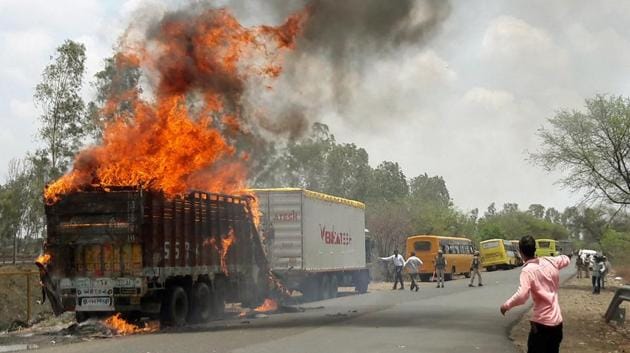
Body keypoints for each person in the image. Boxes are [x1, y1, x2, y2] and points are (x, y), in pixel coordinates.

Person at [500, 235, 570, 353]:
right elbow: (566, 259)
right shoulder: (550, 261)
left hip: (541, 324)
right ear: (535, 249)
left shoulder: (528, 270)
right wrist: (549, 258)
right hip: (557, 323)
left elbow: (522, 296)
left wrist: (506, 305)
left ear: (521, 252)